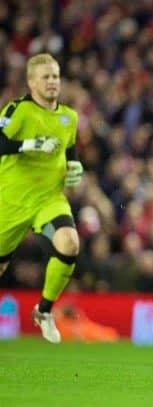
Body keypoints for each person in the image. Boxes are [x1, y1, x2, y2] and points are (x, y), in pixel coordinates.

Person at [0, 53, 83, 343]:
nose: (52, 82)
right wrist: (29, 144)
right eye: (46, 77)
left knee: (69, 242)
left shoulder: (69, 117)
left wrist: (75, 166)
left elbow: (69, 150)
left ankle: (44, 310)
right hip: (10, 203)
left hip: (49, 201)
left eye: (56, 76)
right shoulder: (17, 111)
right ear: (31, 81)